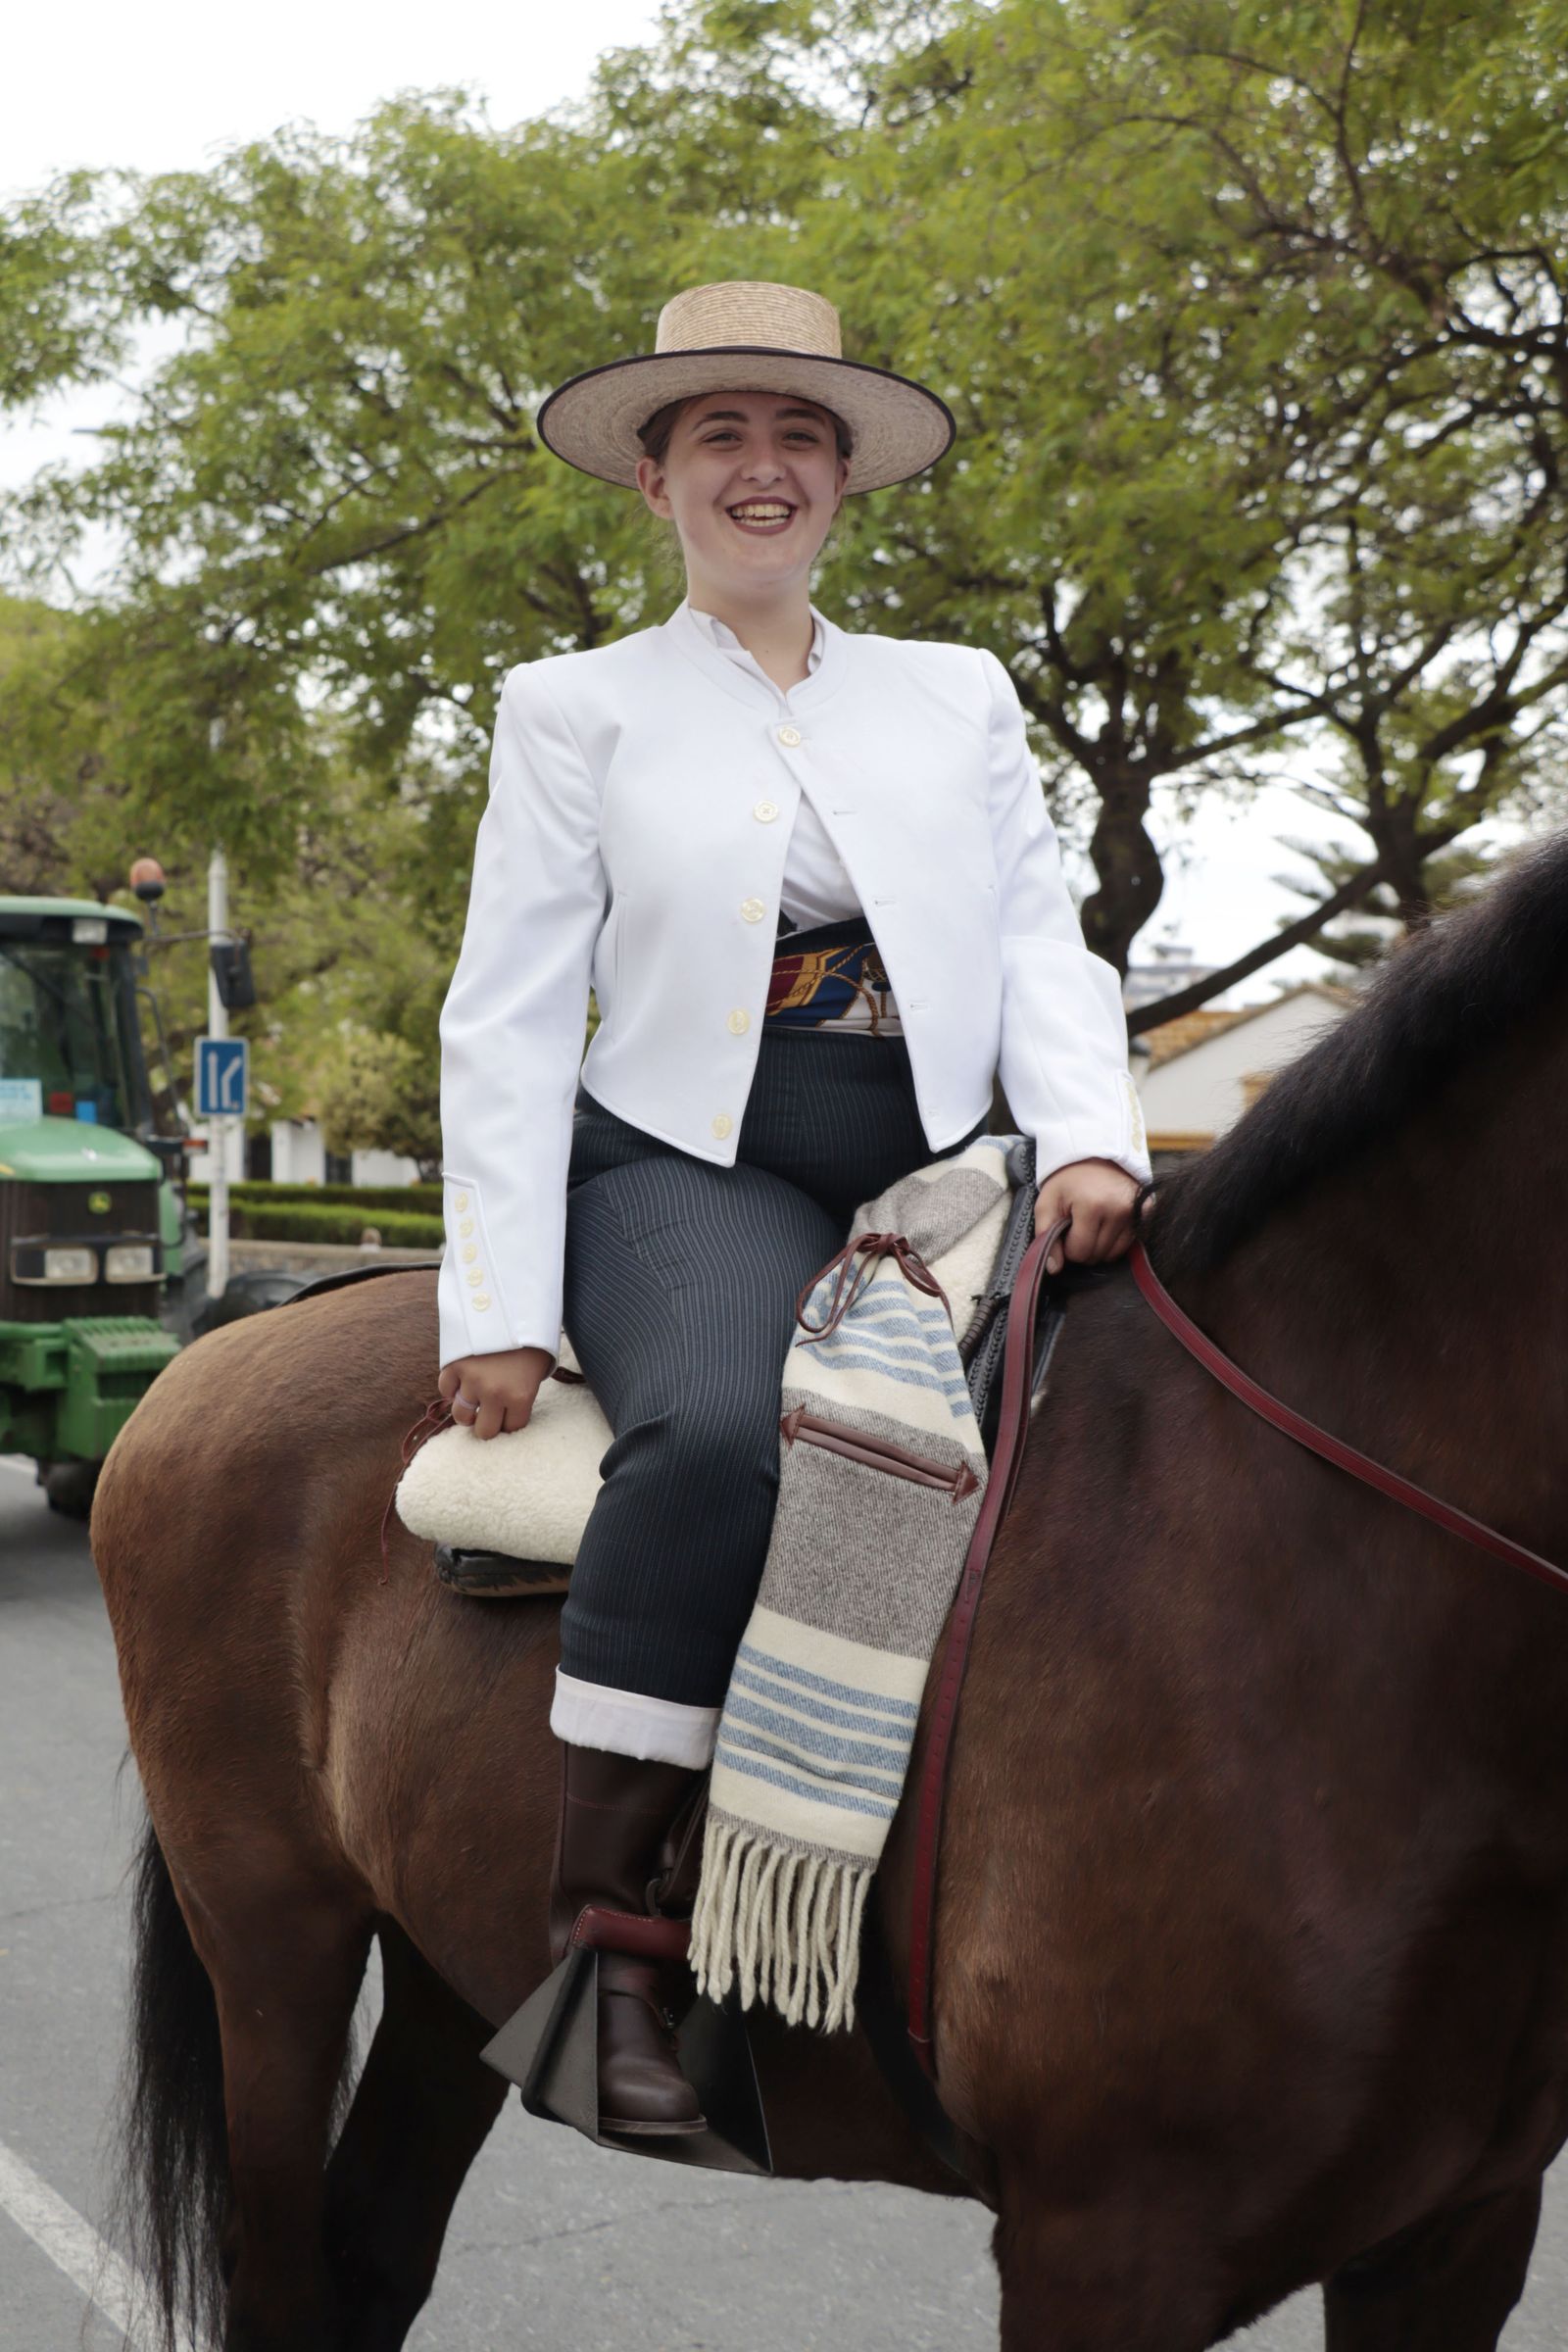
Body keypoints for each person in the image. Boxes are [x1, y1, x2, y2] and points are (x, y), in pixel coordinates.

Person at [435, 279, 1152, 2136]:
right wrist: (495, 1308)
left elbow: (1036, 933)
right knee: (720, 1444)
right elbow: (511, 1008)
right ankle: (608, 1958)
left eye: (800, 437)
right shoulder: (572, 707)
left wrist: (1092, 1139)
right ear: (654, 480)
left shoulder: (959, 691)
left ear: (844, 478)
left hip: (943, 1161)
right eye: (722, 437)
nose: (764, 467)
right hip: (688, 1160)